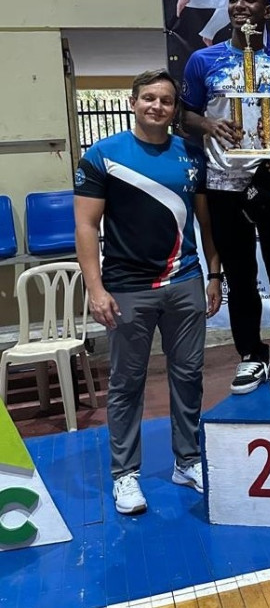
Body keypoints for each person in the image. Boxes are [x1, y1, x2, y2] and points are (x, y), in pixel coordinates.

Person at [74, 69, 222, 516]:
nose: (157, 106)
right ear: (133, 102)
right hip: (126, 289)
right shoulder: (102, 156)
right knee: (126, 384)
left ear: (175, 109)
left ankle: (187, 461)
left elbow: (206, 222)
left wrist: (214, 275)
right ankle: (125, 474)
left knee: (188, 377)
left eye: (166, 100)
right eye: (149, 98)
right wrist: (95, 289)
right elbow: (86, 226)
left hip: (185, 282)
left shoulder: (191, 155)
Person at [181, 0, 270, 395]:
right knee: (240, 275)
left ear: (266, 11)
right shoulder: (203, 60)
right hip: (223, 184)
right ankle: (251, 353)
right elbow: (185, 115)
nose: (239, 5)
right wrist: (208, 124)